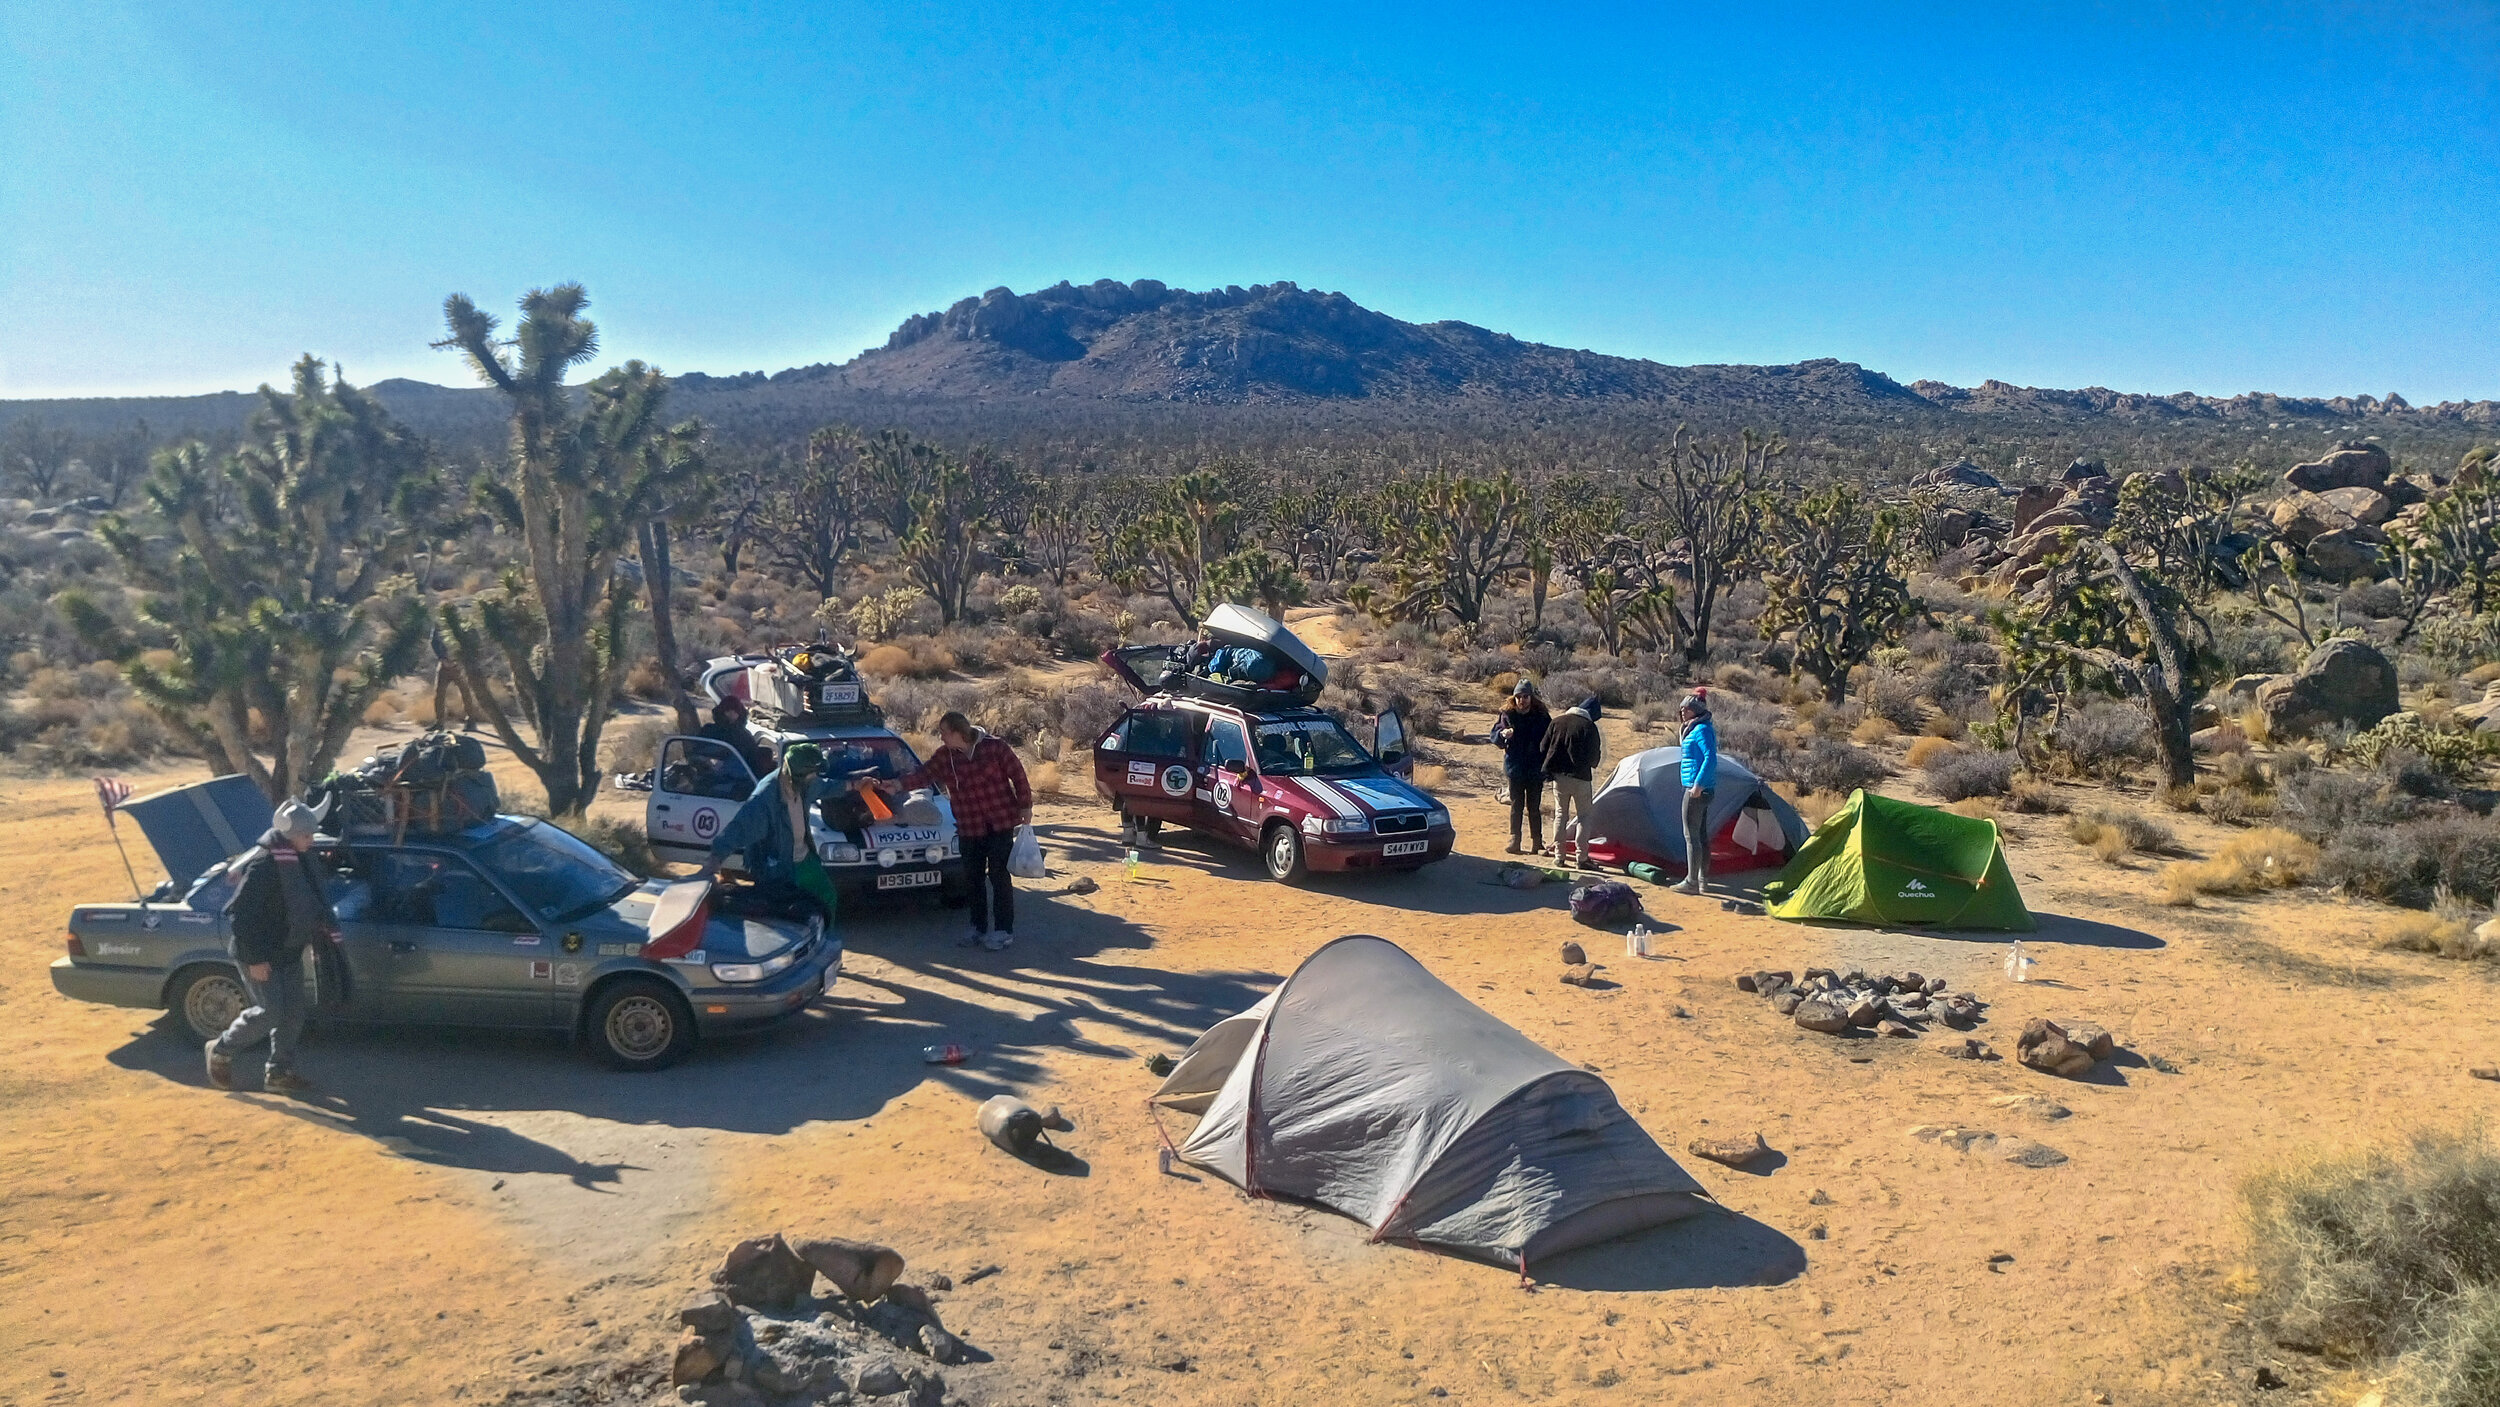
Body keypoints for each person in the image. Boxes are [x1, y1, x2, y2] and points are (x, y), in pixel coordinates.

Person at [205, 797, 338, 1096]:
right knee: (269, 1012)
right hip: (258, 954)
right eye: (306, 835)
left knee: (293, 1014)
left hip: (287, 951)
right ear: (290, 836)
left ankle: (279, 1073)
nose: (311, 840)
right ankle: (222, 1049)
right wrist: (254, 959)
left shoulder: (300, 859)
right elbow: (240, 915)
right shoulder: (265, 866)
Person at [872, 711, 1031, 951]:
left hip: (999, 823)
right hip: (969, 826)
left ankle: (1003, 931)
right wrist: (897, 785)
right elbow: (923, 775)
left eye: (944, 731)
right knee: (973, 879)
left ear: (958, 732)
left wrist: (1026, 806)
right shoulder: (944, 757)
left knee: (999, 877)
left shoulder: (995, 748)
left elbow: (1018, 775)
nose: (941, 736)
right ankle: (977, 928)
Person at [696, 742, 839, 922]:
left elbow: (827, 787)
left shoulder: (804, 783)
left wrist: (857, 784)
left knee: (827, 895)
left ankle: (821, 940)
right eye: (813, 774)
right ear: (799, 774)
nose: (816, 777)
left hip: (804, 858)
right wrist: (715, 859)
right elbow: (738, 828)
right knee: (784, 914)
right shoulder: (765, 798)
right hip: (777, 866)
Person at [1488, 679, 1552, 855]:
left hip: (1535, 768)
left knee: (1534, 806)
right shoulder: (1507, 715)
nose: (1522, 700)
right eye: (1518, 697)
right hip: (1515, 767)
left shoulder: (1541, 716)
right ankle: (1515, 840)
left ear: (1531, 697)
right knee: (1517, 805)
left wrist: (1548, 765)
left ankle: (1537, 842)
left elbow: (1551, 740)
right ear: (1514, 698)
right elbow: (1494, 736)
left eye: (1525, 696)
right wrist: (1502, 734)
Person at [1541, 696, 1604, 868]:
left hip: (1559, 778)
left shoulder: (1557, 722)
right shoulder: (1590, 727)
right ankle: (1581, 858)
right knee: (1584, 817)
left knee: (1561, 814)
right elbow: (1594, 759)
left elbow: (1543, 747)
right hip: (1582, 778)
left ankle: (1559, 856)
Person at [1670, 690, 1720, 896]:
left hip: (1697, 789)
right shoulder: (1697, 728)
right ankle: (1702, 879)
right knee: (1700, 835)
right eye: (1681, 709)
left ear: (1696, 710)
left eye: (1686, 709)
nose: (1682, 712)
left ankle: (1691, 882)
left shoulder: (1701, 730)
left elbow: (1710, 758)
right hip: (1701, 787)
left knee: (1691, 836)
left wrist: (1697, 785)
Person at [700, 695, 777, 782]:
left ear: (740, 713)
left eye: (735, 711)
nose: (731, 714)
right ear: (721, 712)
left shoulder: (744, 736)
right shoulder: (709, 730)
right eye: (728, 710)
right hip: (712, 779)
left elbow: (753, 759)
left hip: (738, 782)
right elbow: (699, 753)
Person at [429, 625, 478, 732]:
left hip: (460, 664)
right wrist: (442, 658)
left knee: (465, 692)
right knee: (439, 694)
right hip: (444, 664)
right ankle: (440, 723)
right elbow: (434, 641)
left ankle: (471, 721)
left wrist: (462, 658)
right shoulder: (439, 621)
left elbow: (473, 639)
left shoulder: (464, 620)